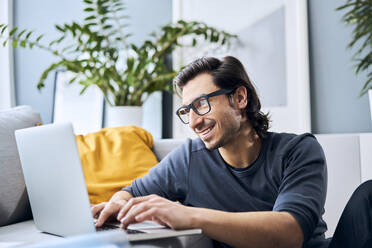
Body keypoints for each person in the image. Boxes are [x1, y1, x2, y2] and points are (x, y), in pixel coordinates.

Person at [92, 56, 372, 248]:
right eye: (186, 111)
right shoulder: (189, 158)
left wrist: (189, 216)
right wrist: (119, 203)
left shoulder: (298, 150)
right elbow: (131, 191)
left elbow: (290, 233)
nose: (193, 121)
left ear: (239, 97)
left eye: (201, 104)